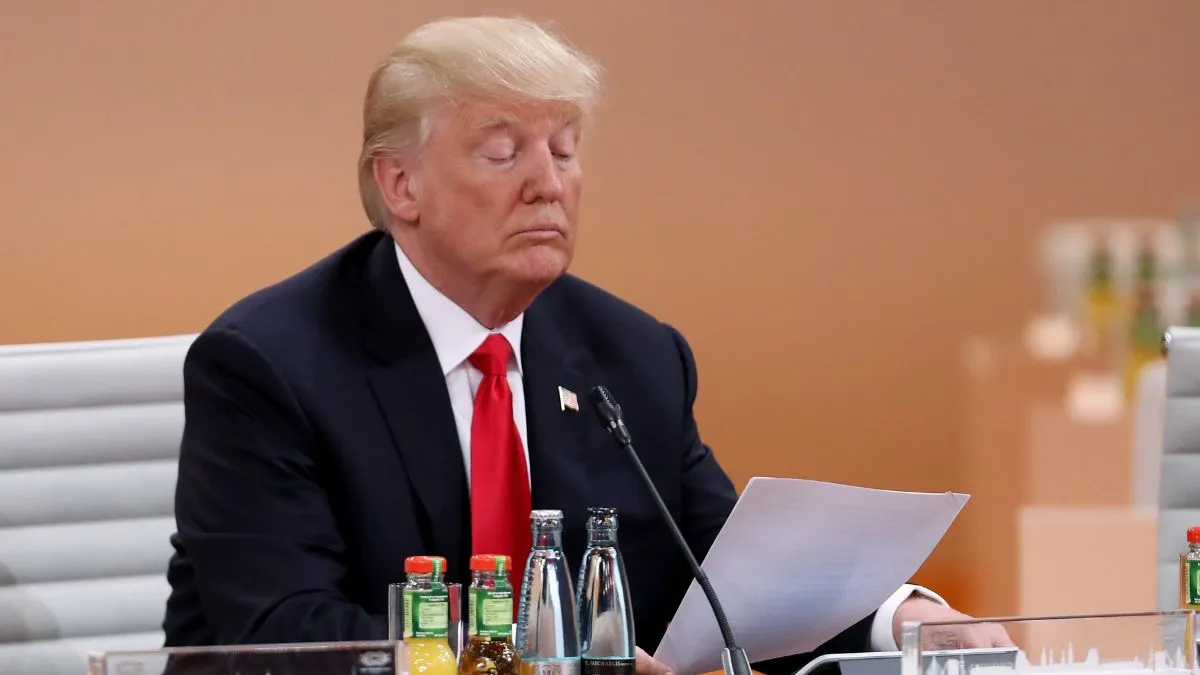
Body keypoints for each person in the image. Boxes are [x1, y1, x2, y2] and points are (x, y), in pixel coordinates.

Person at [162, 15, 1010, 675]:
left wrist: (900, 617)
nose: (548, 182)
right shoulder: (269, 366)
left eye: (565, 150)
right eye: (503, 152)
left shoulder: (633, 355)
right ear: (401, 183)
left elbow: (718, 573)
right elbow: (284, 633)